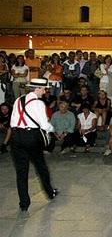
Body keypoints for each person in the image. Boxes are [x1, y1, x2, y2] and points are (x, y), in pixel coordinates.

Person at [10, 78, 58, 212]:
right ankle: (50, 192)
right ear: (37, 89)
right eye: (43, 89)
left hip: (15, 137)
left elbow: (13, 119)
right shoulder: (38, 104)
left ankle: (24, 203)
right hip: (31, 137)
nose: (44, 92)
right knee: (41, 166)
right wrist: (53, 129)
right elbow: (44, 125)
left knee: (21, 171)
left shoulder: (18, 100)